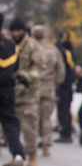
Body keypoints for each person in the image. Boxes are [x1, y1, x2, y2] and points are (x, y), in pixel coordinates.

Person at [8, 18, 44, 166]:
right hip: (10, 94)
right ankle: (15, 156)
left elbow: (40, 67)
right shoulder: (8, 45)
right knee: (10, 129)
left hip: (28, 94)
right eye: (13, 31)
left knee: (29, 127)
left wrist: (26, 76)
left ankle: (32, 157)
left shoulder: (32, 46)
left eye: (18, 30)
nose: (16, 34)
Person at [32, 25, 65, 157]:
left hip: (33, 87)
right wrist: (55, 83)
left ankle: (32, 145)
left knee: (32, 118)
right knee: (46, 118)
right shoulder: (53, 50)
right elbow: (61, 70)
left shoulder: (31, 48)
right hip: (49, 87)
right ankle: (46, 146)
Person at [0, 14, 26, 166]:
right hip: (7, 90)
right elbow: (15, 68)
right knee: (10, 123)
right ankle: (18, 154)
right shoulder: (11, 45)